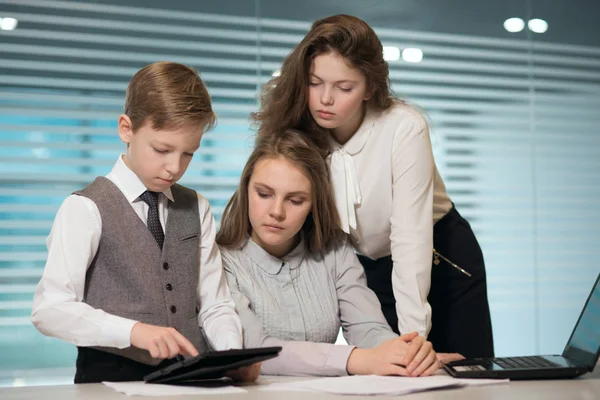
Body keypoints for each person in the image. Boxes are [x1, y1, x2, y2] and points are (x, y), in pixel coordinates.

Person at [253, 14, 494, 358]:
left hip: (441, 258)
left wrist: (413, 338)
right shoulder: (297, 131)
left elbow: (411, 237)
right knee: (387, 374)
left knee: (462, 376)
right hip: (369, 267)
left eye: (344, 88)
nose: (325, 99)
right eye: (315, 82)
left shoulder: (404, 127)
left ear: (369, 87)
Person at [31, 62, 259, 383]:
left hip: (195, 379)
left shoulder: (198, 207)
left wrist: (230, 356)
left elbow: (214, 304)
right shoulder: (84, 208)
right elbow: (49, 309)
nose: (174, 167)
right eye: (162, 149)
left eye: (188, 154)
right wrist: (133, 331)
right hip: (112, 380)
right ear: (127, 128)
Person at [216, 129, 441, 377]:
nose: (277, 211)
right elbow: (253, 350)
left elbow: (367, 328)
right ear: (246, 189)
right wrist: (356, 360)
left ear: (314, 204)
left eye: (295, 200)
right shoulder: (218, 260)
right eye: (264, 194)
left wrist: (405, 354)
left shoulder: (335, 250)